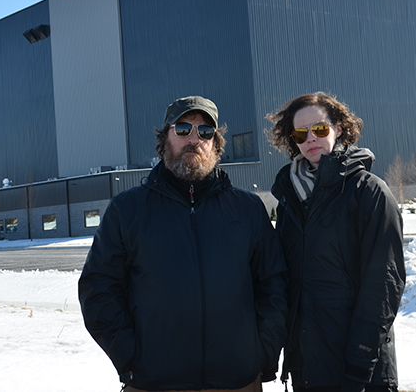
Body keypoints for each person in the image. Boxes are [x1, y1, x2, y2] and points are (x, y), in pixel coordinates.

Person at [79, 96, 288, 392]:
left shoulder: (247, 209)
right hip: (155, 382)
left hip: (237, 380)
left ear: (215, 144)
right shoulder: (128, 210)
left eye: (205, 132)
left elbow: (274, 285)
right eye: (183, 129)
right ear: (164, 138)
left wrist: (261, 353)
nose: (194, 139)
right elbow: (98, 289)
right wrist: (130, 357)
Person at [266, 92, 406, 392]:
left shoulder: (368, 192)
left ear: (338, 128)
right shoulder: (290, 200)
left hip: (358, 372)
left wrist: (360, 361)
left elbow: (383, 282)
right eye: (301, 133)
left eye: (319, 129)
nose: (310, 139)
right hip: (307, 367)